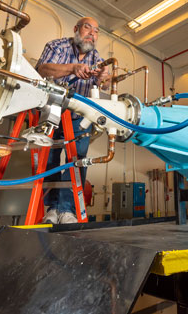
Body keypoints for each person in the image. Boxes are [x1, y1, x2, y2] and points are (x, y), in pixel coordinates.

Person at [35, 17, 109, 224]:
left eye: (96, 31)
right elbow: (42, 70)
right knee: (49, 159)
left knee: (77, 161)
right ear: (76, 29)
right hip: (51, 111)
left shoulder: (96, 57)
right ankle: (51, 209)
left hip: (78, 118)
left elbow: (104, 84)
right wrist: (72, 68)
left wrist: (104, 76)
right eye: (88, 28)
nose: (92, 34)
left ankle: (66, 210)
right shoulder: (57, 46)